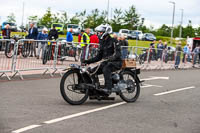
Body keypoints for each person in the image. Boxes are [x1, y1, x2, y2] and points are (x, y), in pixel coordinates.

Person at [83, 24, 122, 95]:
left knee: (106, 68)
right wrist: (88, 61)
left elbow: (118, 53)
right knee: (91, 71)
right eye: (98, 32)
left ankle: (108, 88)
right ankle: (96, 88)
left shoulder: (114, 41)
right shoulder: (102, 42)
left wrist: (110, 58)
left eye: (100, 32)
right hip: (106, 62)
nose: (98, 34)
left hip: (116, 62)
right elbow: (99, 56)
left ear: (106, 32)